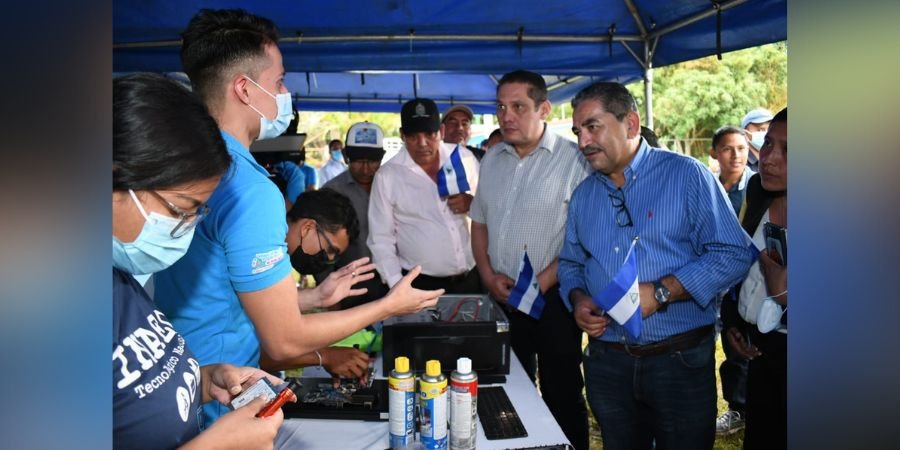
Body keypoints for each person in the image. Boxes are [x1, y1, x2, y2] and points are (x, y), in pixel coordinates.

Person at [153, 8, 442, 425]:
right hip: (218, 403)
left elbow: (221, 291)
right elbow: (285, 341)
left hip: (177, 384)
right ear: (245, 89)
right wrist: (388, 306)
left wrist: (313, 298)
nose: (285, 93)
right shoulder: (250, 189)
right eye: (279, 81)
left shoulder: (182, 162)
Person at [559, 81, 753, 450]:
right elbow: (571, 263)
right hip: (608, 362)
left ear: (630, 123)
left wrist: (663, 291)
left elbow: (733, 253)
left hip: (677, 362)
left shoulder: (687, 176)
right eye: (577, 131)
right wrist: (578, 298)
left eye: (592, 127)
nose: (583, 142)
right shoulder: (585, 195)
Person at [113, 73, 287, 449]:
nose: (186, 227)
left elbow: (131, 396)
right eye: (181, 209)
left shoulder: (122, 280)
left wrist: (205, 380)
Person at [469, 70, 591, 450]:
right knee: (504, 390)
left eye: (518, 107)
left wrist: (543, 281)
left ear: (544, 109)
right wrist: (487, 275)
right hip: (501, 296)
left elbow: (584, 237)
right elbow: (479, 223)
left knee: (562, 391)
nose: (506, 116)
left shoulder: (575, 160)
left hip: (553, 298)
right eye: (501, 107)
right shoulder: (491, 159)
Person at [368, 98, 482, 293]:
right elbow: (380, 239)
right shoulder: (388, 176)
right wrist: (398, 287)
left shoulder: (463, 159)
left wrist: (474, 204)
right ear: (402, 135)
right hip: (419, 285)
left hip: (470, 279)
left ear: (442, 132)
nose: (422, 143)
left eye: (430, 134)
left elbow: (492, 211)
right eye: (413, 136)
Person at [259, 189, 372, 383]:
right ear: (308, 228)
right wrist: (325, 357)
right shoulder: (259, 257)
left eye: (335, 256)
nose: (329, 259)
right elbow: (271, 352)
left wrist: (318, 296)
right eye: (330, 250)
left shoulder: (276, 255)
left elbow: (267, 306)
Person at [724, 108, 788, 450]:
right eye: (768, 144)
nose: (770, 159)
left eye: (789, 150)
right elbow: (743, 259)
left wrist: (782, 290)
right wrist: (734, 321)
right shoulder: (757, 190)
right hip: (762, 353)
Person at [707, 125, 755, 435]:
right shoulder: (710, 187)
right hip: (713, 285)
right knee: (717, 350)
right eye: (728, 148)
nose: (736, 155)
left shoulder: (757, 188)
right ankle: (727, 408)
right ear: (714, 153)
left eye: (741, 148)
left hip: (746, 285)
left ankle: (743, 409)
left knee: (743, 351)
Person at [322, 121, 390, 309]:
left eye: (373, 161)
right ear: (345, 156)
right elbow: (321, 246)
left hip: (392, 281)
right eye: (359, 161)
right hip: (350, 287)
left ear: (382, 157)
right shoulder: (332, 192)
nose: (366, 169)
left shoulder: (393, 185)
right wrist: (330, 295)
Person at [741, 107, 774, 172]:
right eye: (761, 129)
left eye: (770, 129)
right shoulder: (739, 162)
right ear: (745, 133)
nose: (767, 134)